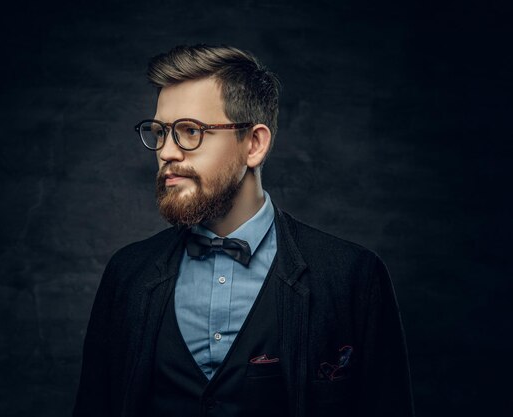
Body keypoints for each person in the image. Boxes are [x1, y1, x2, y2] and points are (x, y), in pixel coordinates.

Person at [73, 44, 415, 417]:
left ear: (254, 144)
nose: (167, 152)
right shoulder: (127, 274)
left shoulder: (353, 277)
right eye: (159, 132)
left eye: (190, 131)